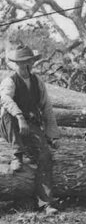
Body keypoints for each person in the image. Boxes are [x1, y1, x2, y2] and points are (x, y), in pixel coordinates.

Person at [0, 45, 59, 214]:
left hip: (31, 124)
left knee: (45, 155)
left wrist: (52, 135)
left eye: (27, 62)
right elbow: (4, 99)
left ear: (32, 62)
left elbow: (46, 106)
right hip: (10, 124)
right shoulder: (9, 81)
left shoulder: (37, 81)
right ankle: (17, 154)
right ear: (15, 64)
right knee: (7, 114)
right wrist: (19, 117)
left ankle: (46, 203)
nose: (24, 66)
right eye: (20, 63)